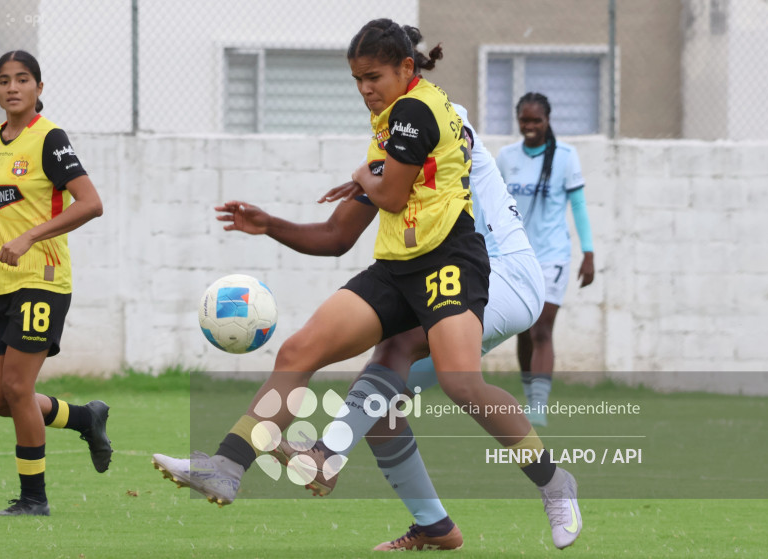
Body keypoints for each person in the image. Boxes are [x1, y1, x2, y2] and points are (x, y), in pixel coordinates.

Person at [153, 21, 581, 552]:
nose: (363, 89)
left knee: (443, 374)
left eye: (372, 76)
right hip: (405, 265)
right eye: (357, 78)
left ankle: (552, 481)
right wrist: (272, 224)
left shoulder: (421, 114)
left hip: (484, 269)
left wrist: (366, 174)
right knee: (316, 360)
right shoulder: (391, 123)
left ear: (407, 67)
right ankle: (232, 465)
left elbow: (394, 195)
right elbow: (338, 235)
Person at [0, 51, 112, 517]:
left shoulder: (49, 138)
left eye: (23, 79)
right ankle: (84, 418)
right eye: (4, 80)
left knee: (18, 388)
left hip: (41, 281)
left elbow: (90, 203)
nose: (13, 88)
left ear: (39, 88)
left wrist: (28, 236)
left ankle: (34, 500)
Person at [495, 92, 595, 427]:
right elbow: (490, 205)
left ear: (547, 120)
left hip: (552, 255)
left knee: (541, 328)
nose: (530, 126)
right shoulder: (506, 158)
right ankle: (530, 395)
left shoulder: (566, 157)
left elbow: (578, 206)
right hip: (515, 256)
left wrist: (589, 252)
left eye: (536, 120)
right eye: (524, 120)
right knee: (523, 328)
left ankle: (538, 406)